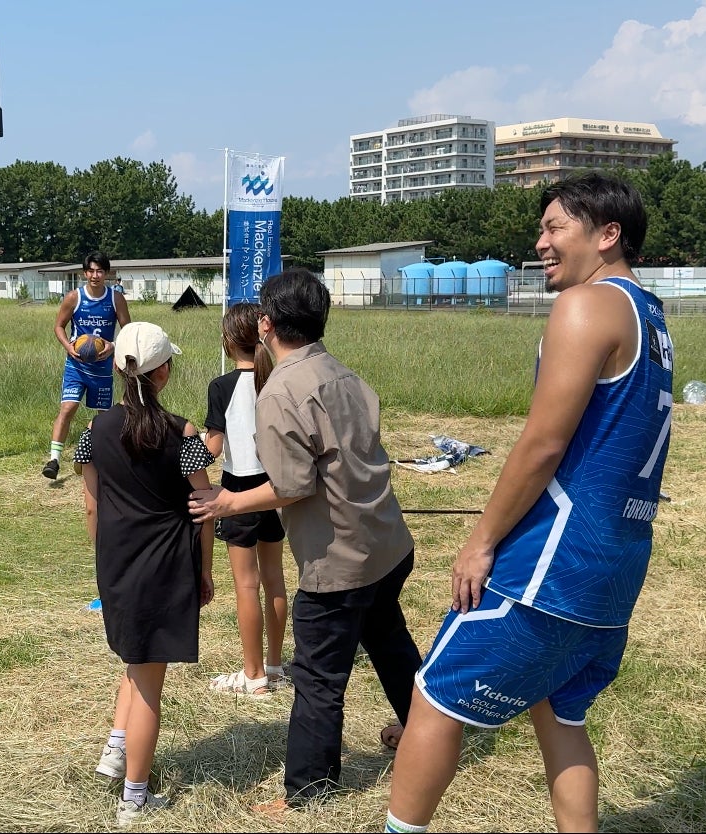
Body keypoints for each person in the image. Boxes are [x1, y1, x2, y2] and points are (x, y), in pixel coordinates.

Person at [384, 173, 673, 834]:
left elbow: (543, 442)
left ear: (606, 235)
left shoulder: (587, 304)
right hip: (616, 563)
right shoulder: (649, 315)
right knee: (559, 712)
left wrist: (481, 538)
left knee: (431, 699)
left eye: (553, 228)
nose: (538, 242)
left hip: (553, 561)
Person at [188, 269, 422, 811]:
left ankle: (308, 792)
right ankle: (427, 730)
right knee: (389, 642)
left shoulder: (281, 391)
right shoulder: (344, 374)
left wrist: (225, 503)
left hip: (340, 562)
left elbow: (291, 485)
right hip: (388, 544)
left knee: (317, 678)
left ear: (266, 324)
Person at [77, 321, 215, 826]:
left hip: (117, 560)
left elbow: (91, 507)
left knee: (134, 660)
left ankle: (115, 750)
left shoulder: (93, 431)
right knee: (149, 680)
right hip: (167, 563)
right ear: (165, 372)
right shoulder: (183, 432)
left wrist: (103, 563)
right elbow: (204, 506)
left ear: (117, 370)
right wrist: (204, 569)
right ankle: (134, 797)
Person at [201, 302, 288, 698]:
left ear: (228, 340)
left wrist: (188, 447)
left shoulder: (222, 387)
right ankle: (274, 664)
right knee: (275, 579)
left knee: (246, 585)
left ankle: (253, 676)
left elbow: (214, 448)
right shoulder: (277, 379)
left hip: (238, 490)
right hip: (275, 488)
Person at [43, 251, 130, 480]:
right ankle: (54, 459)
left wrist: (112, 346)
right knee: (68, 408)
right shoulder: (74, 297)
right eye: (91, 270)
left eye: (100, 271)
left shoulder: (115, 298)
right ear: (84, 273)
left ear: (106, 274)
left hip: (102, 369)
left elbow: (128, 331)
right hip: (77, 366)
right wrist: (68, 347)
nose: (95, 275)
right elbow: (59, 327)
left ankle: (104, 458)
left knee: (105, 417)